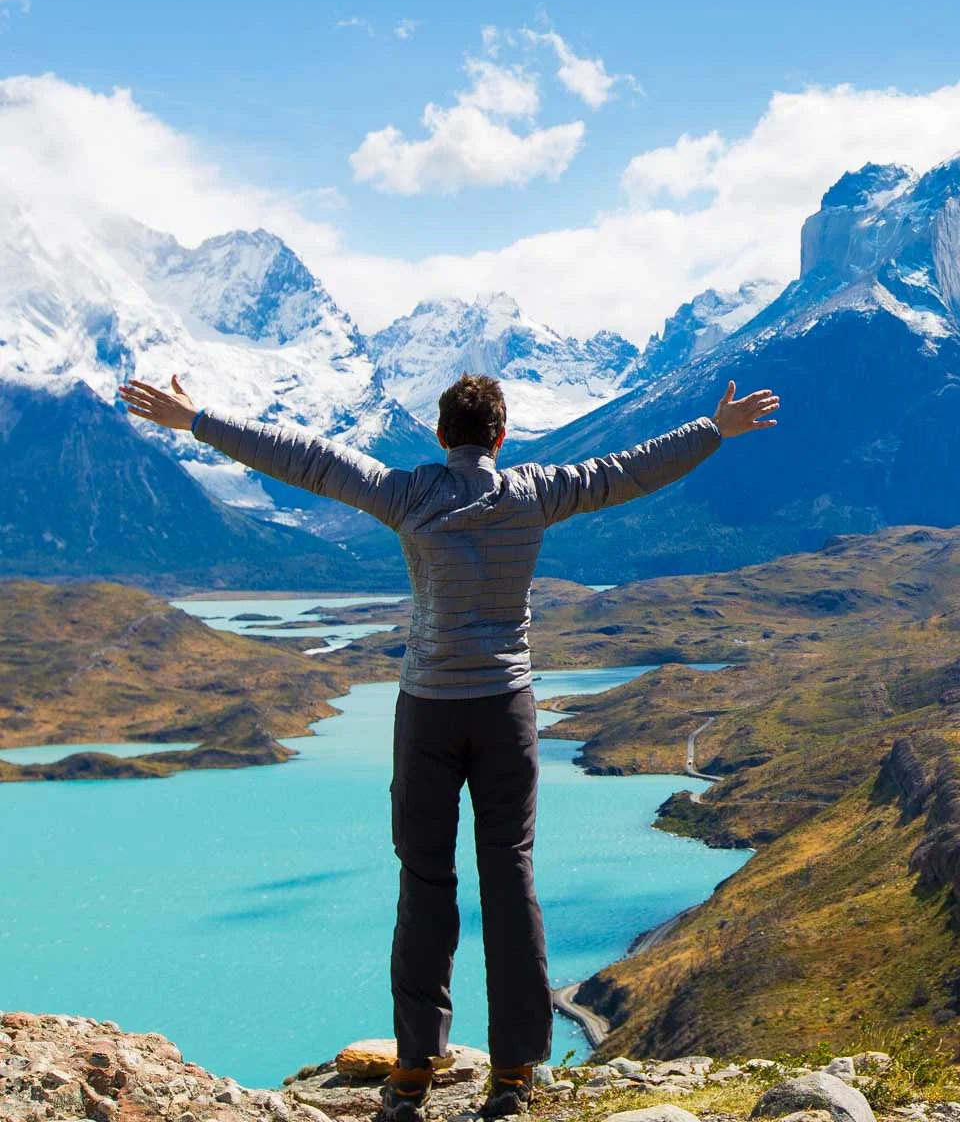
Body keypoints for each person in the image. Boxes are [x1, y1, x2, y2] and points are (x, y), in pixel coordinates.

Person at [118, 371, 778, 1120]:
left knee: (424, 881)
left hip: (428, 711)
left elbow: (304, 457)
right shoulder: (535, 492)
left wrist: (198, 418)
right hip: (506, 710)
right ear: (502, 436)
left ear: (440, 436)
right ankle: (515, 1073)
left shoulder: (407, 495)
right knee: (510, 879)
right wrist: (713, 430)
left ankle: (413, 1069)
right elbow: (627, 471)